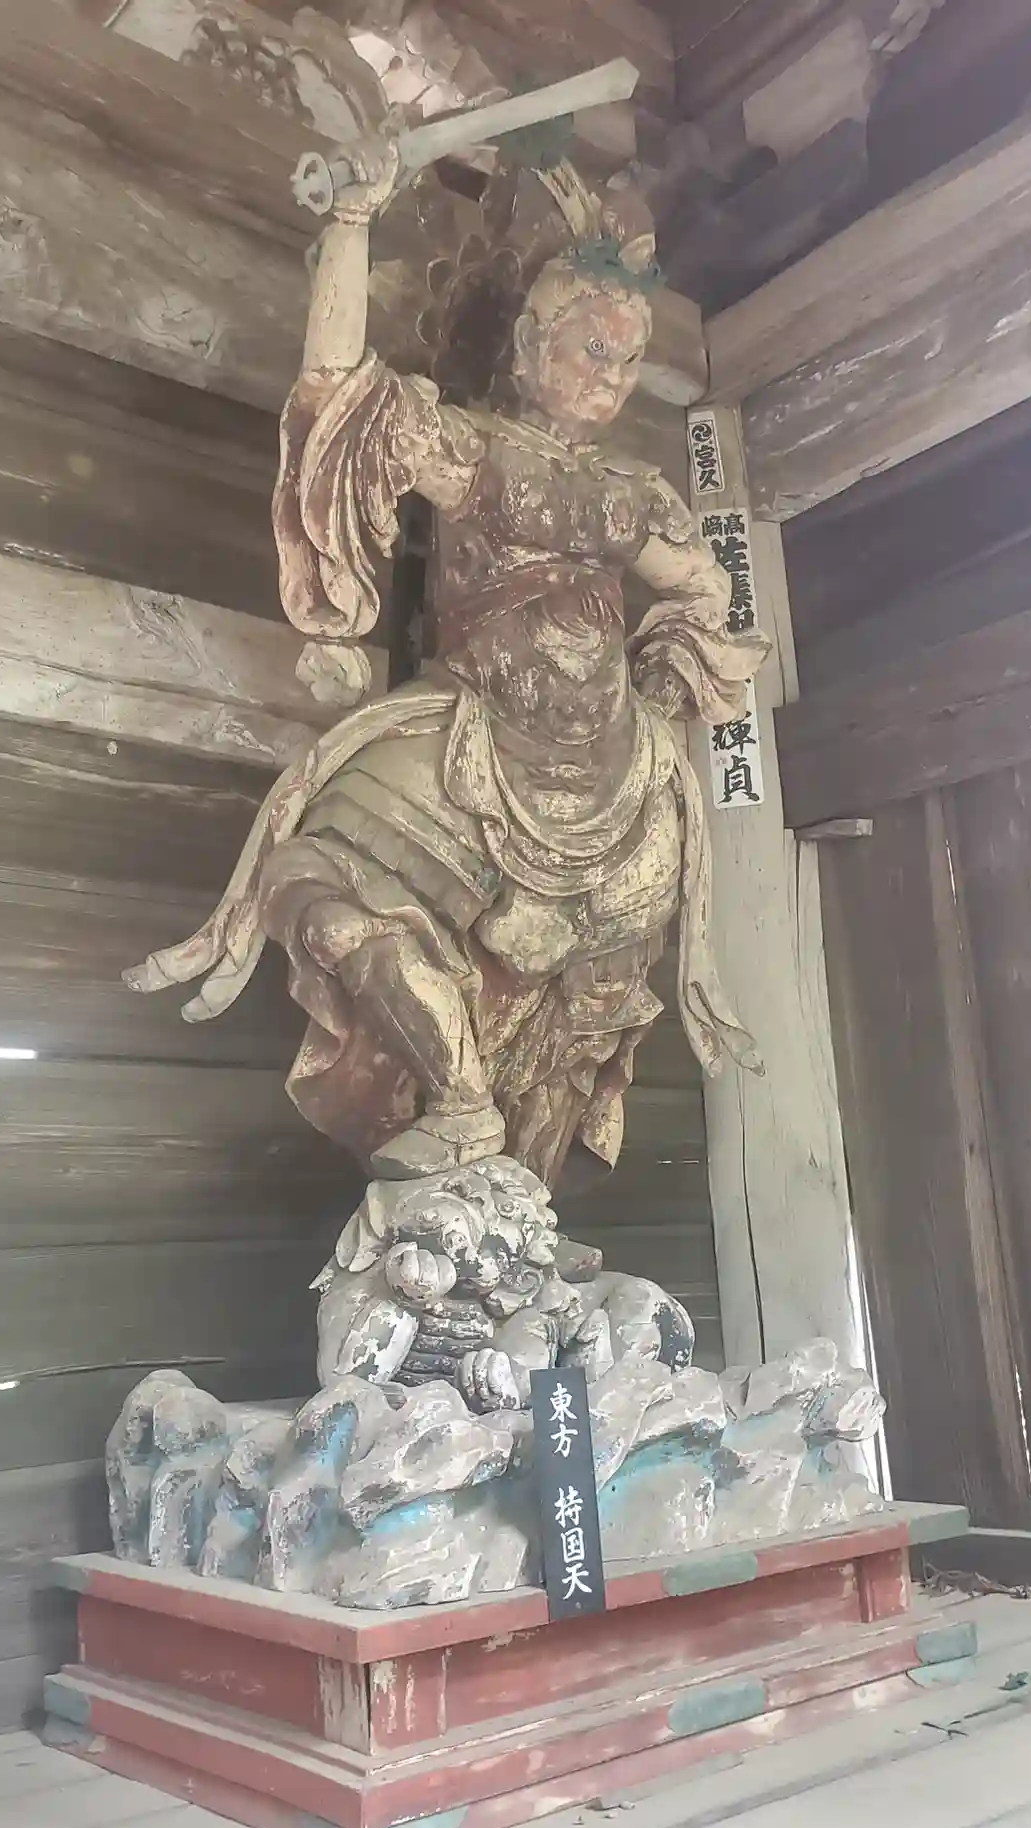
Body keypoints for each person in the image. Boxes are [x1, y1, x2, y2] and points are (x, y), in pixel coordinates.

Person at [127, 141, 768, 1188]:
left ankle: (524, 1197)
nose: (608, 377)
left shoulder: (633, 497)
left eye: (627, 359)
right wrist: (350, 225)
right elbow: (339, 394)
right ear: (528, 343)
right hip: (473, 742)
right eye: (589, 348)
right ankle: (458, 1098)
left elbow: (706, 588)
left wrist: (662, 690)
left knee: (576, 1006)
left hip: (617, 775)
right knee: (312, 877)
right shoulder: (474, 450)